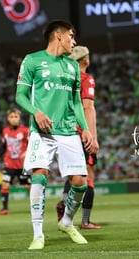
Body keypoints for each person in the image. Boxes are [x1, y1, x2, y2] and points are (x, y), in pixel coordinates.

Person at [15, 19, 98, 250]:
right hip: (41, 132)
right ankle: (38, 234)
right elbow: (20, 96)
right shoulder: (32, 60)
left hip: (69, 131)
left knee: (81, 183)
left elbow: (77, 103)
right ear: (59, 36)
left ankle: (67, 222)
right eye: (72, 36)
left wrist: (86, 130)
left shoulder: (72, 66)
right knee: (39, 175)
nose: (74, 41)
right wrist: (36, 112)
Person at [56, 46, 101, 229]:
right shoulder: (85, 79)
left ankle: (63, 204)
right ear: (86, 60)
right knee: (88, 176)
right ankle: (85, 220)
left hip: (63, 132)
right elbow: (88, 108)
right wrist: (93, 136)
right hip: (81, 133)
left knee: (72, 176)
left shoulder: (65, 78)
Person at [0, 108, 30, 215]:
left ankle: (37, 205)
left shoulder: (25, 130)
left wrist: (27, 152)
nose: (13, 119)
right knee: (5, 184)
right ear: (8, 118)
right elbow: (3, 146)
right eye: (11, 117)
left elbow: (33, 144)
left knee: (28, 186)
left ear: (19, 118)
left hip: (22, 165)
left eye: (16, 117)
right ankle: (4, 209)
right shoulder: (5, 131)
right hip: (9, 164)